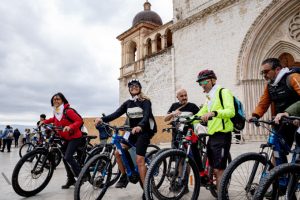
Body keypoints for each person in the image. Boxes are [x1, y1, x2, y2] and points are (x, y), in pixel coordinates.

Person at [95, 79, 157, 199]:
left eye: (136, 86)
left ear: (140, 88)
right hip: (132, 131)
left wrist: (140, 126)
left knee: (139, 160)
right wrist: (103, 119)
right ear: (129, 89)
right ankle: (124, 175)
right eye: (131, 86)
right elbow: (116, 114)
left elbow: (146, 116)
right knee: (118, 153)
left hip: (144, 132)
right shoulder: (128, 103)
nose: (133, 87)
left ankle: (146, 191)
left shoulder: (145, 102)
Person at [250, 58, 300, 166]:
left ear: (277, 69)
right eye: (262, 73)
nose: (264, 75)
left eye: (266, 71)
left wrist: (287, 113)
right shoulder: (270, 85)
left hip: (297, 120)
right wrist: (255, 115)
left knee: (298, 155)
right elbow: (263, 102)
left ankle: (294, 175)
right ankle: (281, 177)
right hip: (283, 121)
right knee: (276, 148)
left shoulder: (292, 77)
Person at [193, 69, 235, 189]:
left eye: (204, 82)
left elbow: (230, 111)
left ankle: (223, 195)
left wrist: (214, 113)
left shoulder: (224, 92)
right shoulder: (209, 98)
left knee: (219, 170)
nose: (202, 85)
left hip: (223, 135)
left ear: (212, 80)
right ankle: (218, 190)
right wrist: (187, 119)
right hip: (212, 136)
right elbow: (201, 113)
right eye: (199, 83)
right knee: (213, 168)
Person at [40, 92, 83, 189]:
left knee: (67, 157)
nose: (56, 100)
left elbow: (79, 120)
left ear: (63, 100)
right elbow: (54, 119)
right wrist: (44, 121)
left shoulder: (68, 111)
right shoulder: (57, 111)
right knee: (64, 157)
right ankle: (71, 179)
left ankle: (81, 175)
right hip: (66, 138)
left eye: (58, 99)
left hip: (75, 137)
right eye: (54, 99)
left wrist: (70, 126)